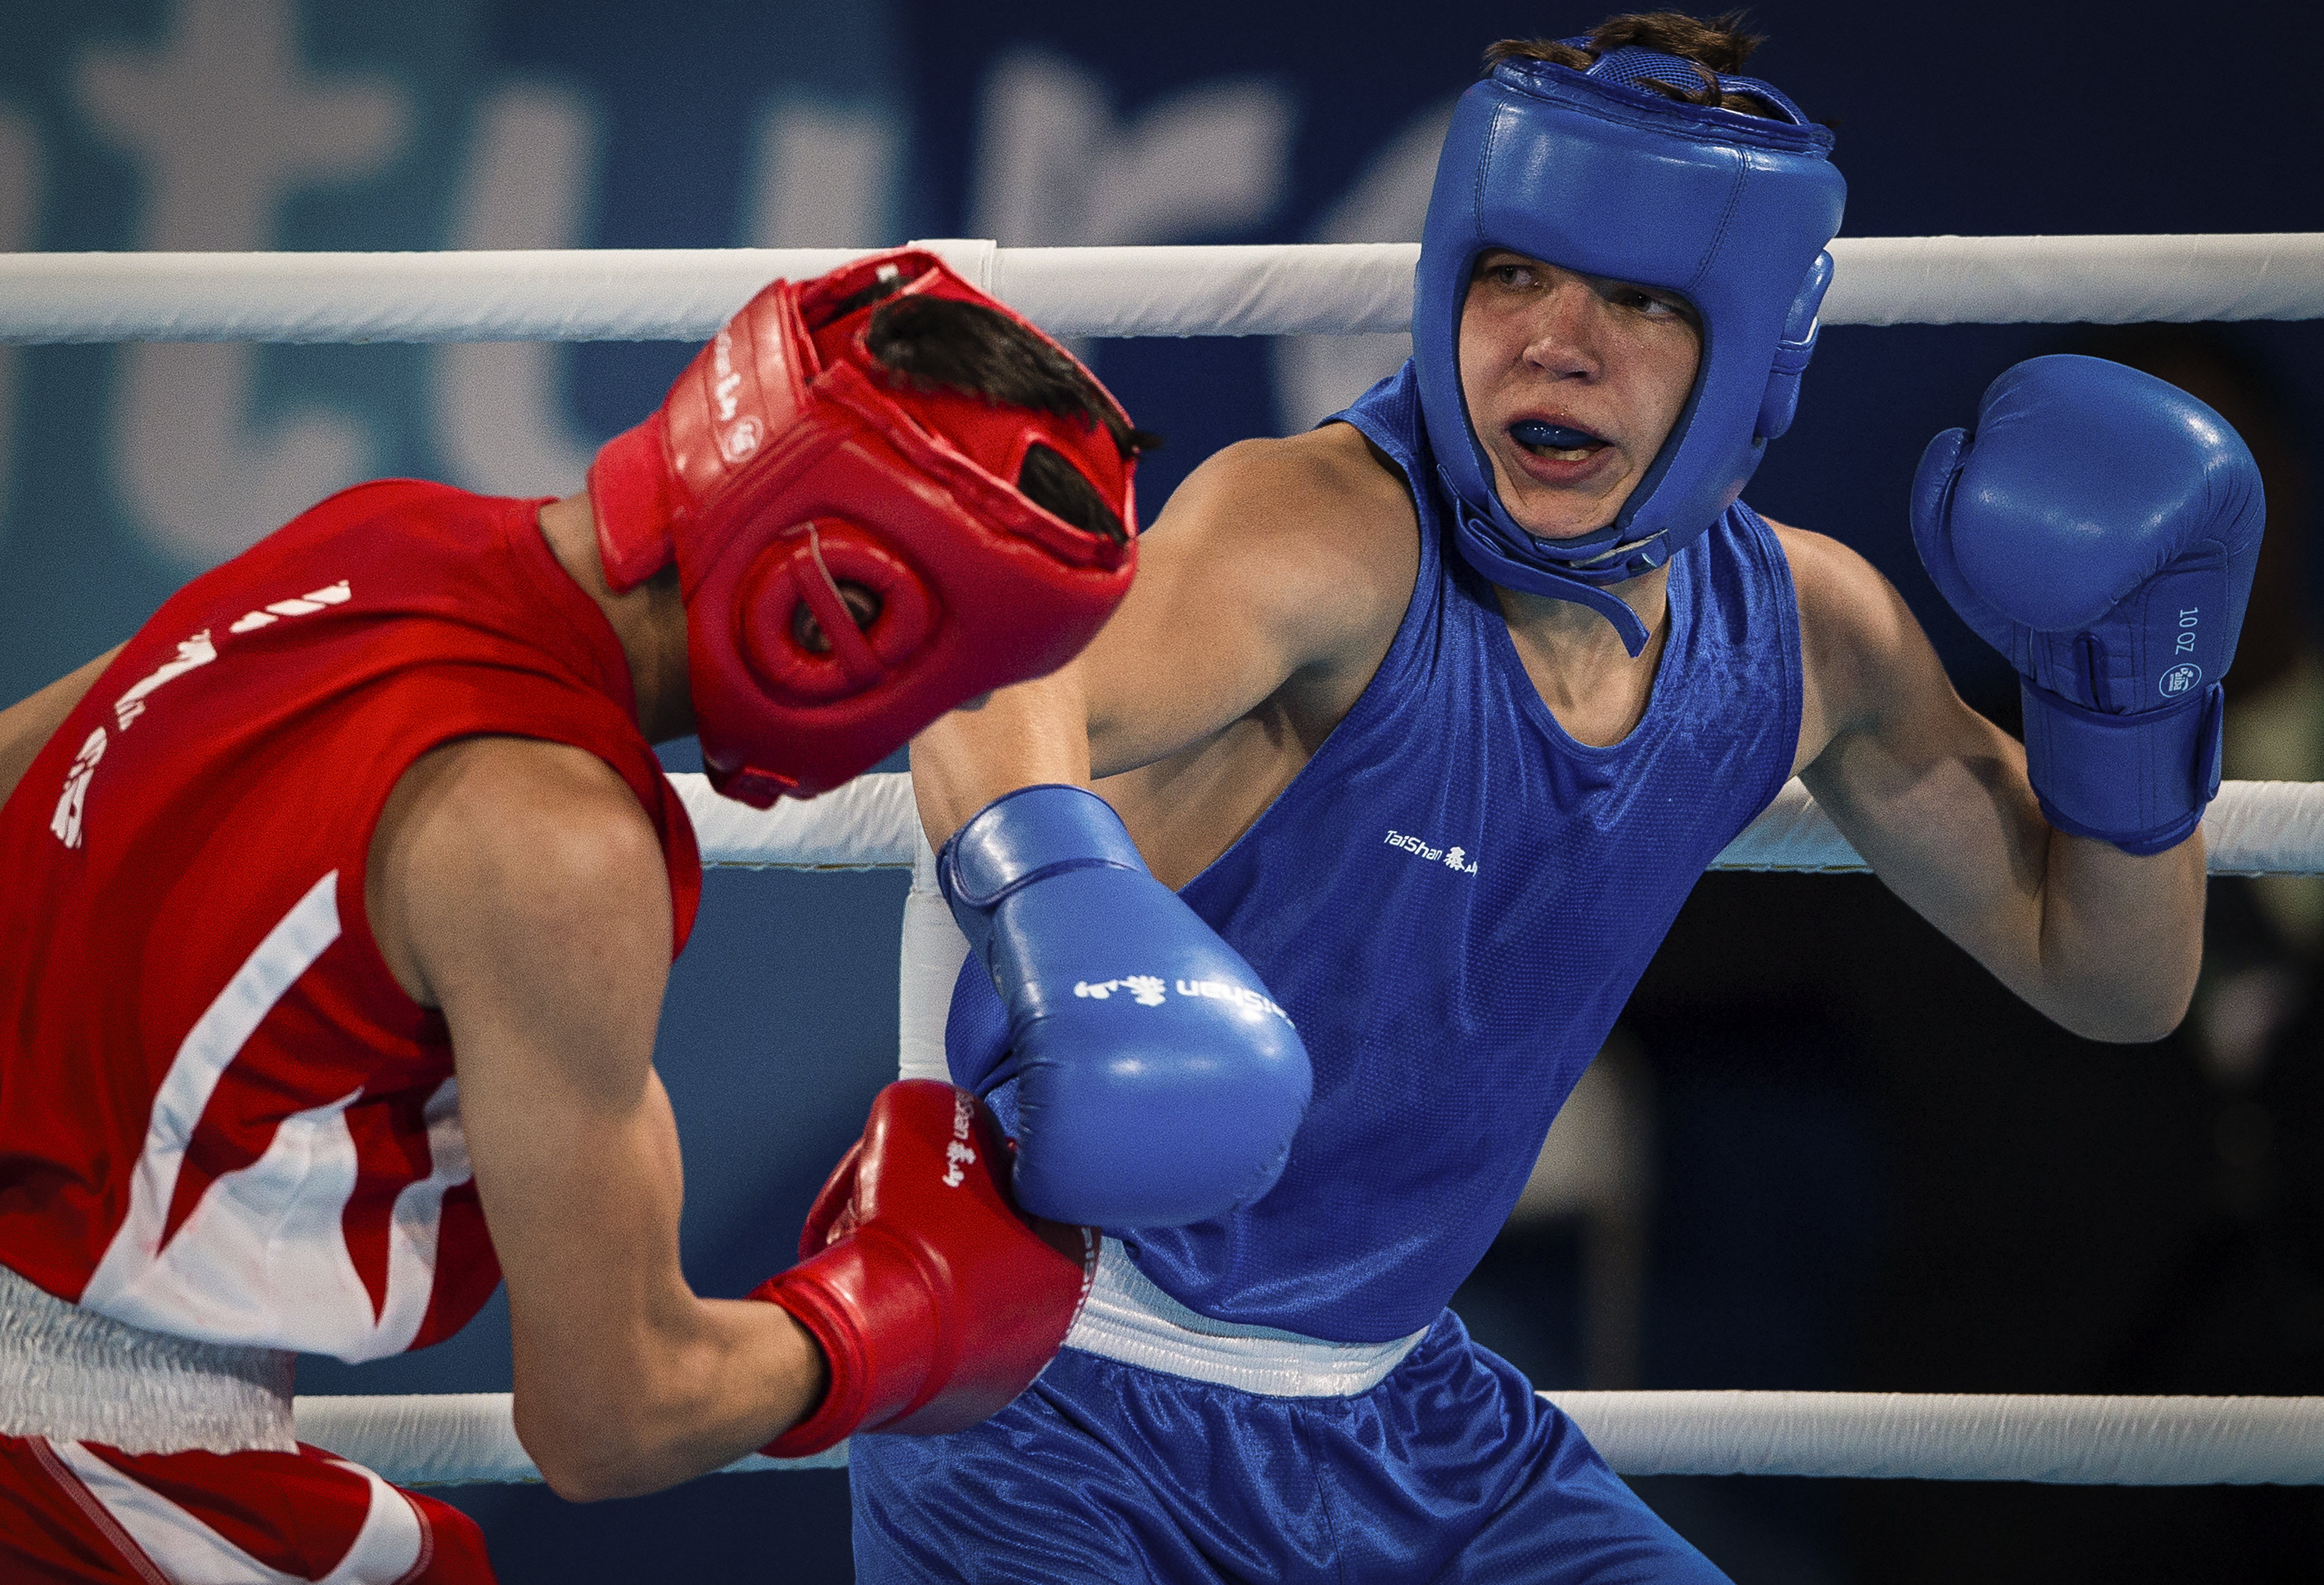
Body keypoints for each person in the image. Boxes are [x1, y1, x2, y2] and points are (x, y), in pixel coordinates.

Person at [857, 13, 2266, 1583]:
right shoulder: (1323, 533)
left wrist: (2129, 714)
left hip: (1407, 1417)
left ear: (1757, 351)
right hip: (1050, 1386)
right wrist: (1075, 920)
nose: (1553, 340)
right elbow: (992, 690)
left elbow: (2119, 979)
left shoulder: (1805, 640)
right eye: (1513, 272)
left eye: (1645, 300)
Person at [0, 248, 1166, 1582]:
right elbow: (614, 1415)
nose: (925, 734)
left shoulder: (379, 531)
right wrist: (900, 1307)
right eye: (950, 686)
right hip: (81, 1465)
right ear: (838, 612)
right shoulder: (556, 839)